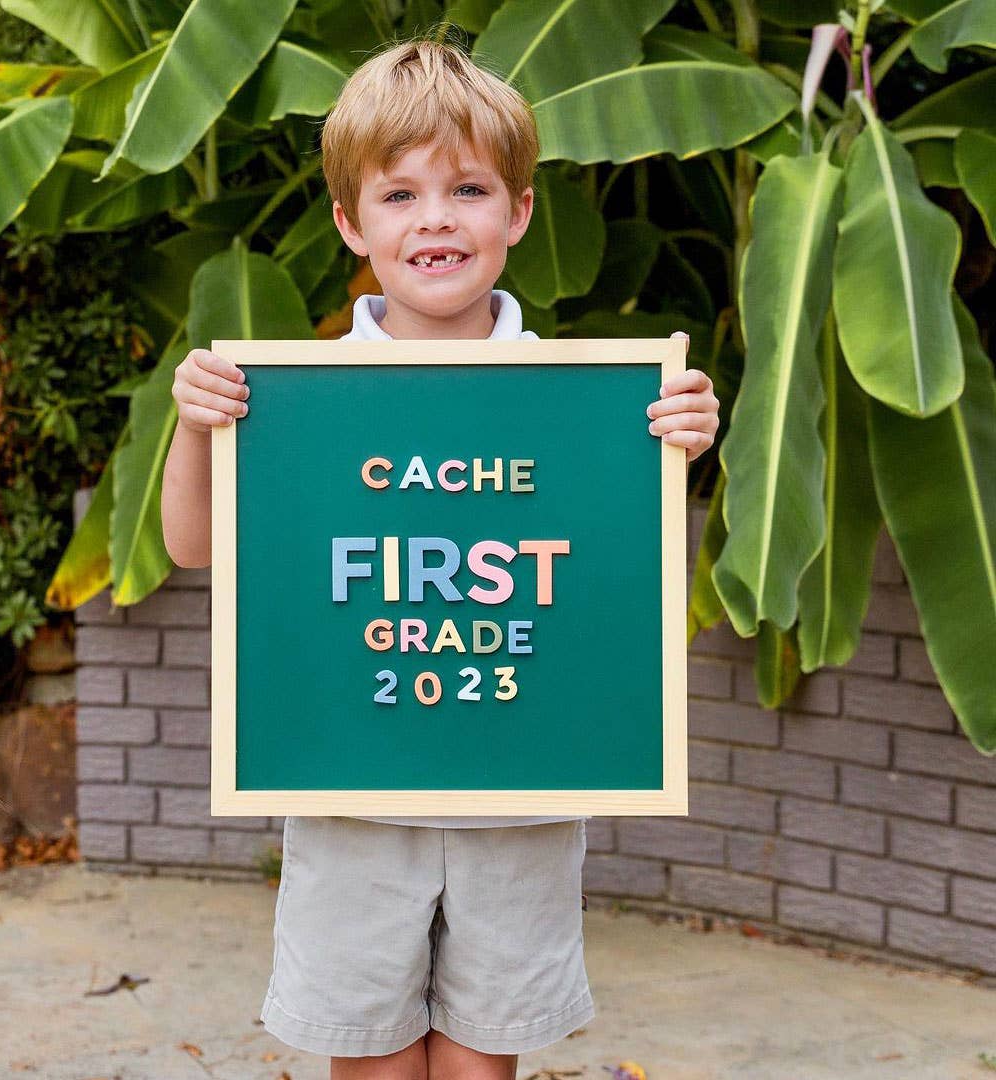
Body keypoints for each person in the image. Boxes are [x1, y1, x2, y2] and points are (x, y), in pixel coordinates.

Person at [161, 36, 720, 1080]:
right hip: (351, 802)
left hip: (518, 802)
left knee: (477, 1065)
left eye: (467, 189)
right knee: (368, 1059)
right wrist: (198, 431)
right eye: (400, 194)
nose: (435, 219)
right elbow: (192, 547)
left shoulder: (592, 397)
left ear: (516, 212)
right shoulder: (291, 396)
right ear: (351, 222)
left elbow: (608, 569)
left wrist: (676, 436)